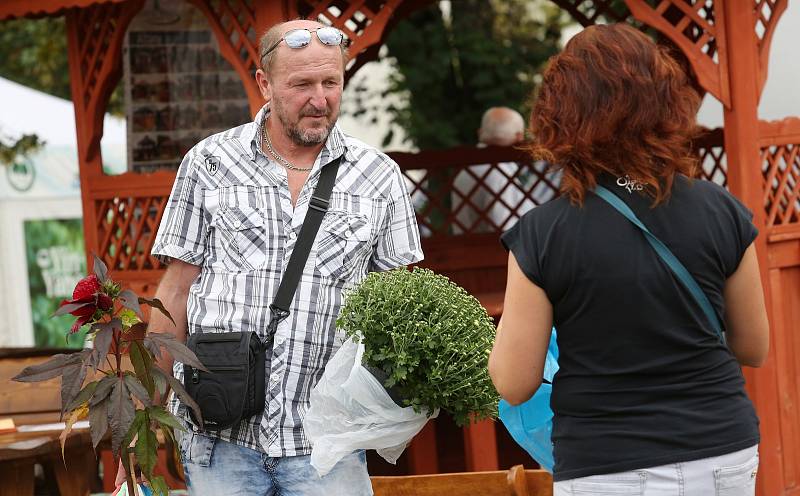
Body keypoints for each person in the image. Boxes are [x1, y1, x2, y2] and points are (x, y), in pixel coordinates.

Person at [118, 19, 423, 496]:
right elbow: (176, 292)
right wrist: (141, 423)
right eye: (301, 84)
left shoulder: (380, 177)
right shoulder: (209, 162)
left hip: (326, 446)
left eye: (331, 83)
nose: (319, 99)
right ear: (265, 84)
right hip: (217, 438)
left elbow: (402, 310)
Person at [489, 23, 769, 496]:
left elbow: (515, 383)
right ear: (665, 102)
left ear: (561, 113)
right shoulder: (721, 210)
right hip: (723, 449)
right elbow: (753, 347)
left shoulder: (541, 234)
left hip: (607, 462)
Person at [452, 107, 553, 234]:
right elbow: (504, 231)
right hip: (492, 252)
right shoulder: (499, 173)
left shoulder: (465, 171)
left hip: (463, 250)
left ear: (480, 132)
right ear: (519, 136)